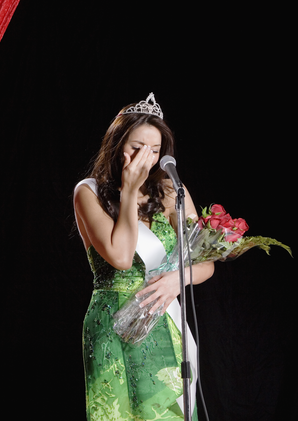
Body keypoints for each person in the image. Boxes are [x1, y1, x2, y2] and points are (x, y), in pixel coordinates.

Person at [73, 93, 214, 421]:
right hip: (113, 325)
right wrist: (129, 190)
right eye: (137, 148)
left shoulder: (170, 192)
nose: (146, 158)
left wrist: (177, 282)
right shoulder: (88, 192)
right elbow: (121, 257)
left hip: (162, 321)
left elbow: (205, 262)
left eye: (154, 150)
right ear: (117, 144)